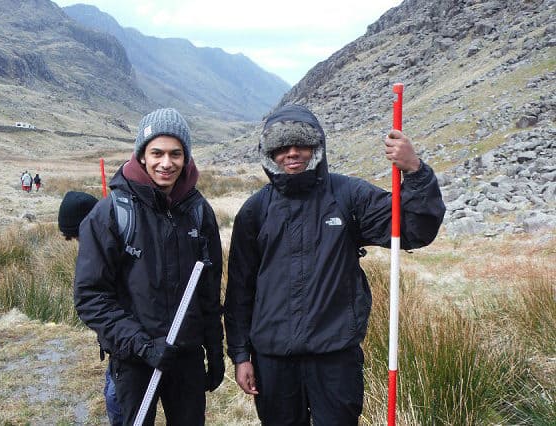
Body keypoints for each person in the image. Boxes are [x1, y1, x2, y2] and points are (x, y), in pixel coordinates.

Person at [224, 104, 445, 425]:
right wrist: (241, 356)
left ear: (318, 147)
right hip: (273, 359)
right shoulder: (255, 210)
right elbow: (240, 291)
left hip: (335, 355)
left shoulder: (349, 196)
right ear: (269, 154)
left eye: (302, 144)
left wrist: (415, 170)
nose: (292, 153)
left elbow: (412, 230)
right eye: (282, 147)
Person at [74, 108, 224, 425]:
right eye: (157, 153)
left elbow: (209, 291)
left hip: (187, 358)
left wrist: (214, 349)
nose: (166, 163)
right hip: (133, 359)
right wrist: (142, 345)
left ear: (186, 157)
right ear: (142, 155)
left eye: (175, 154)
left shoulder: (199, 212)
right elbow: (91, 296)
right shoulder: (111, 214)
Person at [57, 190, 123, 424]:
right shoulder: (98, 250)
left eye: (78, 237)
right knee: (113, 395)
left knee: (117, 401)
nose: (79, 244)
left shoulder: (114, 253)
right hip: (118, 348)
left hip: (128, 347)